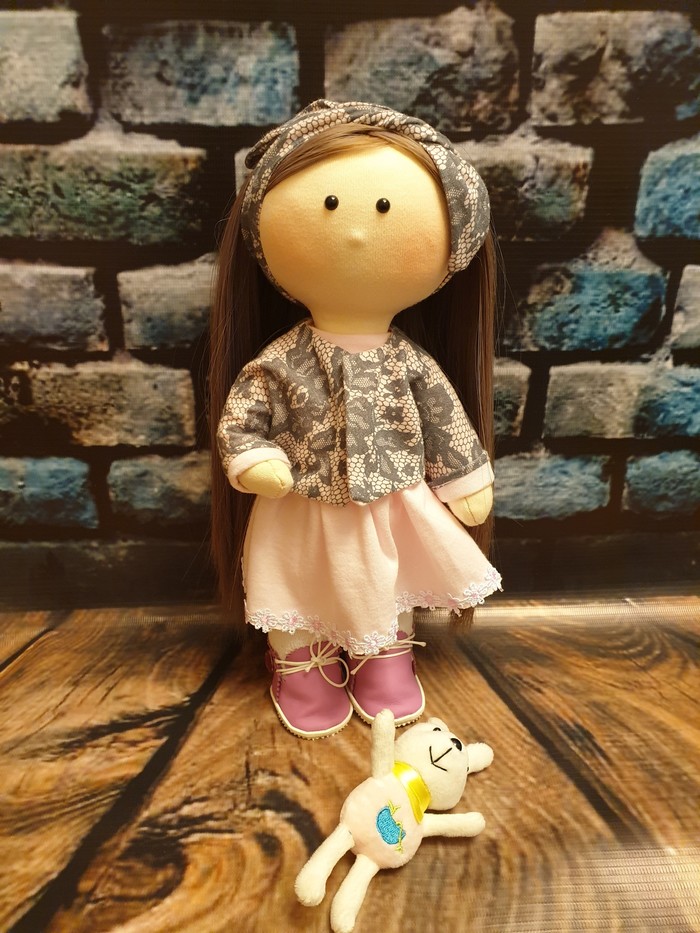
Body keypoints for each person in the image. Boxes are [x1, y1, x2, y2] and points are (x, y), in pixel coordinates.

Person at [209, 100, 501, 739]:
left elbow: (444, 419)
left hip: (392, 502)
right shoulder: (283, 359)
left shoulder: (410, 362)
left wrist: (464, 478)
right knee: (296, 581)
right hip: (299, 501)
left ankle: (384, 650)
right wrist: (254, 457)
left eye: (387, 210)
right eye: (331, 206)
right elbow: (245, 414)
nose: (358, 234)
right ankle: (300, 658)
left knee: (387, 578)